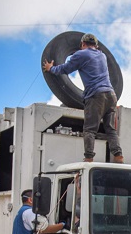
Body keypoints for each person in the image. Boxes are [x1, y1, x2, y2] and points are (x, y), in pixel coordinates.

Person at [42, 32, 124, 164]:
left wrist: (51, 69)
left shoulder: (80, 54)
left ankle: (89, 158)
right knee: (110, 129)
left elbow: (66, 69)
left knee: (90, 129)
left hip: (96, 95)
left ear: (82, 44)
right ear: (96, 45)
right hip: (111, 95)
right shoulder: (102, 55)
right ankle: (118, 155)